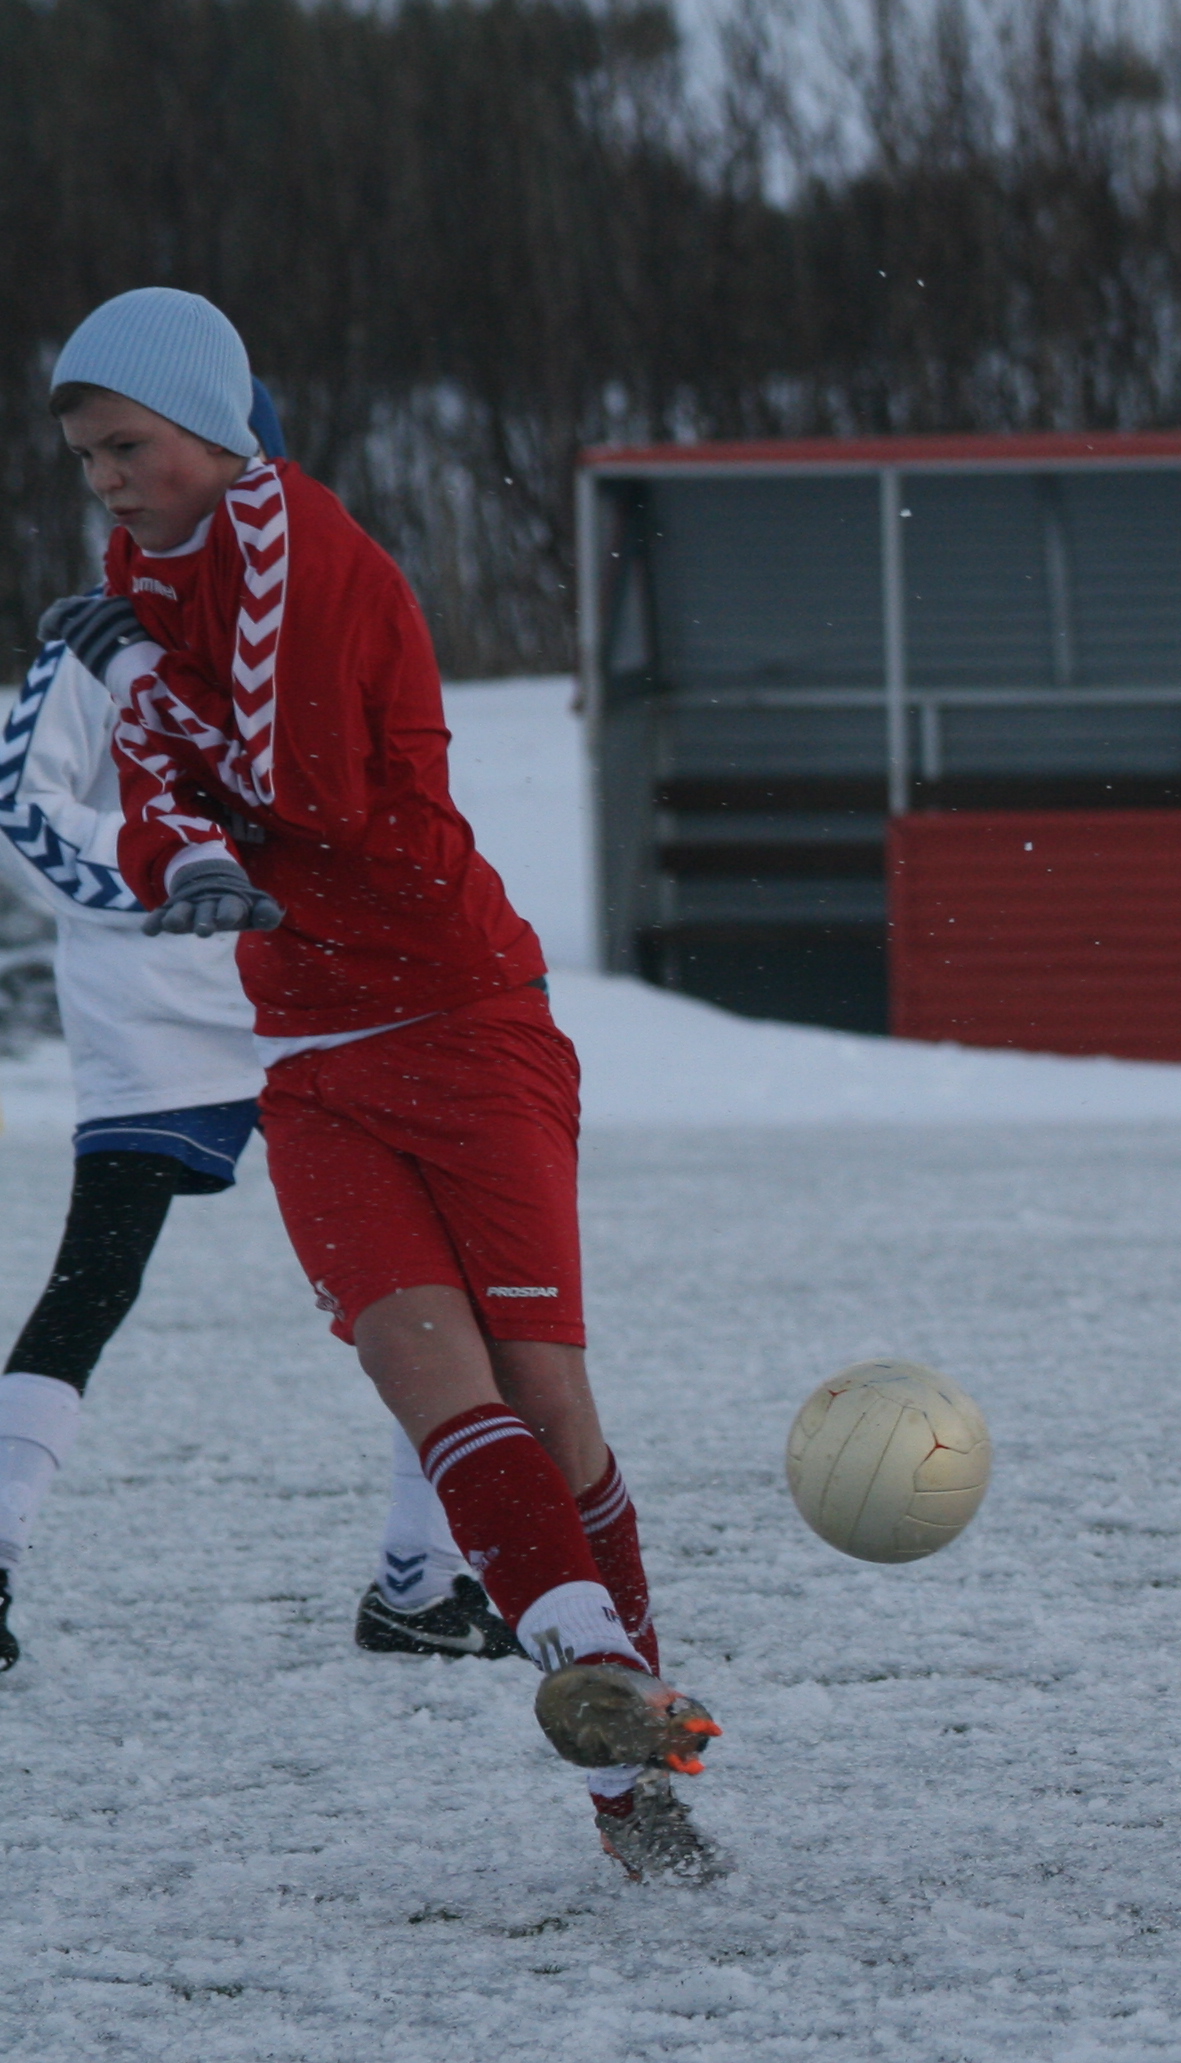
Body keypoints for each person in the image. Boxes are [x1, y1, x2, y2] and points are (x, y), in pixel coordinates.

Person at [41, 285, 720, 1881]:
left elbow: (309, 792)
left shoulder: (305, 550)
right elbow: (165, 785)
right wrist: (183, 858)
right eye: (87, 460)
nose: (109, 483)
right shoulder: (142, 575)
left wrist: (144, 694)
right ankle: (596, 1678)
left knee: (545, 1403)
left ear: (214, 425)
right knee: (430, 1384)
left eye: (129, 446)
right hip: (310, 1058)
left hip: (465, 1021)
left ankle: (639, 1780)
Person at [0, 377, 509, 1670]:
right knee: (95, 1279)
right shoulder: (106, 629)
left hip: (305, 1000)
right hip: (156, 1013)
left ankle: (420, 1582)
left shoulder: (294, 624)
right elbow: (25, 804)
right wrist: (164, 887)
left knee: (430, 1289)